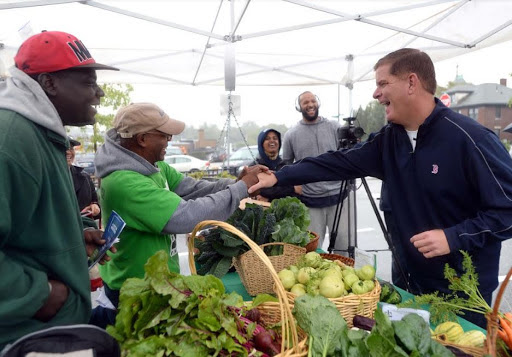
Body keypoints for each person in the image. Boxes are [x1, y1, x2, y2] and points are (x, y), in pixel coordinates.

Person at [249, 48, 512, 328]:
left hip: (462, 294)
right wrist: (279, 177)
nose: (376, 94)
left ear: (412, 83)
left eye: (383, 83)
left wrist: (453, 237)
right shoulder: (389, 140)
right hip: (407, 284)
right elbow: (337, 162)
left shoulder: (471, 139)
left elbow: (507, 211)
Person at [90, 102, 265, 327]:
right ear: (142, 139)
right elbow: (186, 216)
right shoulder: (123, 182)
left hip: (158, 282)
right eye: (164, 135)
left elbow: (191, 188)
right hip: (134, 287)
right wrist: (240, 190)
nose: (169, 141)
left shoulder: (152, 166)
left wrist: (236, 183)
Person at [0, 31, 118, 348]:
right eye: (88, 82)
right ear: (49, 84)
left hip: (44, 333)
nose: (100, 93)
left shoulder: (40, 135)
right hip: (20, 338)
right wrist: (43, 295)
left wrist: (71, 235)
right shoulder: (11, 140)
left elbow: (22, 229)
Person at [282, 91, 346, 250]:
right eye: (305, 102)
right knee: (312, 249)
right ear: (299, 107)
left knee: (343, 246)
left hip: (339, 197)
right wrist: (295, 185)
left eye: (312, 101)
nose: (310, 105)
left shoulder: (335, 127)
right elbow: (286, 165)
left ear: (318, 103)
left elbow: (348, 155)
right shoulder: (291, 134)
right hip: (310, 201)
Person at [251, 128, 301, 202]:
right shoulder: (254, 167)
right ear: (261, 144)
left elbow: (297, 191)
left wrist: (269, 197)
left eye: (275, 138)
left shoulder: (286, 165)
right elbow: (257, 190)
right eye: (267, 139)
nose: (272, 141)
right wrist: (290, 189)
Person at [66, 138, 101, 219]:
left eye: (71, 148)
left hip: (85, 228)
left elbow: (94, 200)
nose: (68, 152)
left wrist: (95, 207)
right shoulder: (48, 180)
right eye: (63, 149)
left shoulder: (84, 177)